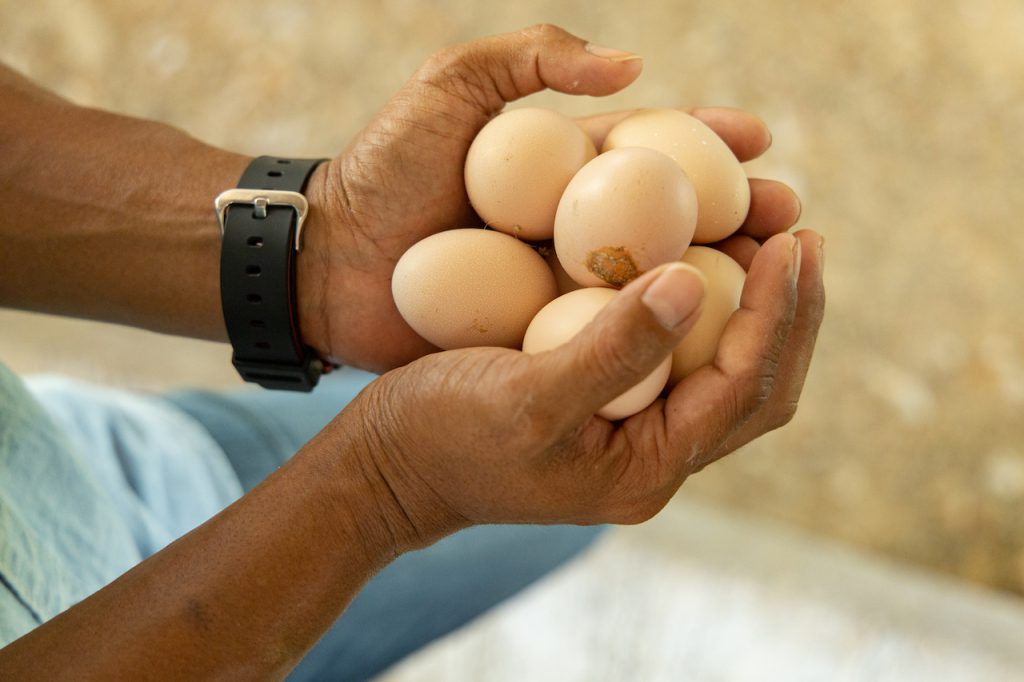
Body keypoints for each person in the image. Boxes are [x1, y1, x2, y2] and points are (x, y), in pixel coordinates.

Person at [0, 24, 823, 681]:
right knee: (547, 476)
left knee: (557, 525)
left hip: (100, 481)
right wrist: (384, 494)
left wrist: (322, 248)